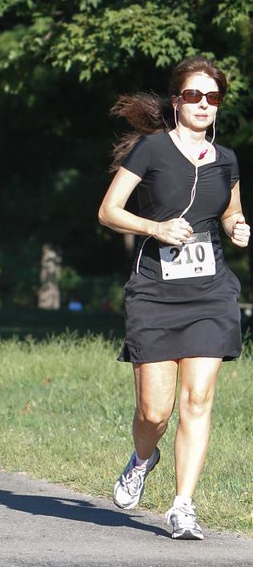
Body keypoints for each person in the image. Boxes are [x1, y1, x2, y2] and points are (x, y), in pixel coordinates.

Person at [98, 56, 249, 540]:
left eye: (212, 97)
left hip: (210, 292)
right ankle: (143, 458)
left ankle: (183, 505)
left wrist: (237, 227)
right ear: (177, 101)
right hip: (155, 293)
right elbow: (109, 211)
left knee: (198, 398)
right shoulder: (150, 150)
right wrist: (155, 227)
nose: (203, 104)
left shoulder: (226, 159)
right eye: (194, 95)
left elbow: (230, 213)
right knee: (155, 412)